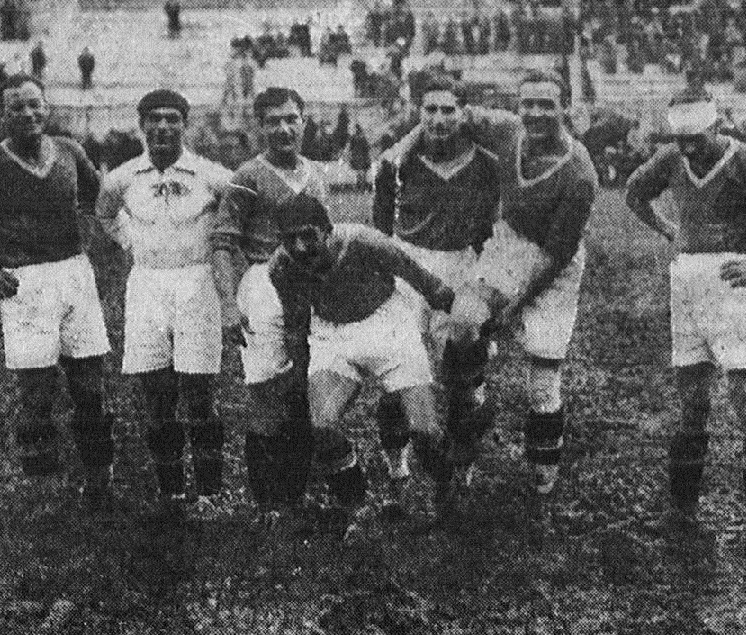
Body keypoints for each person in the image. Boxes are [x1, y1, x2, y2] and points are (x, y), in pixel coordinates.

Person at [391, 70, 597, 496]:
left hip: (554, 266)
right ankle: (472, 404)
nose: (536, 113)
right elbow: (445, 116)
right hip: (509, 245)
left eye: (547, 104)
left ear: (566, 108)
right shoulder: (506, 129)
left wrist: (513, 307)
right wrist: (400, 150)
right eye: (528, 104)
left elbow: (555, 254)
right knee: (464, 322)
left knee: (542, 377)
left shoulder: (580, 172)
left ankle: (543, 472)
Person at [269, 194, 456, 532]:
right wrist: (298, 373)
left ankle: (446, 490)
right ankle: (354, 502)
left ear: (327, 229)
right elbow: (295, 322)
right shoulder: (281, 267)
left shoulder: (363, 241)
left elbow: (425, 281)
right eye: (289, 239)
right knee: (322, 427)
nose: (299, 247)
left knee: (425, 433)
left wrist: (463, 315)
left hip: (389, 325)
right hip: (332, 333)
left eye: (308, 235)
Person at [96, 89, 232, 519]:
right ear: (141, 125)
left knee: (199, 393)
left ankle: (209, 493)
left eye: (172, 118)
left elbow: (238, 216)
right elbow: (105, 214)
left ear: (184, 124)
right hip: (147, 284)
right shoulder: (122, 178)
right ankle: (170, 491)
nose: (163, 127)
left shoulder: (212, 175)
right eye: (154, 118)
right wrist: (130, 242)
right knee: (156, 394)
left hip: (197, 282)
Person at [373, 72, 500, 495]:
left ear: (464, 113)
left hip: (462, 264)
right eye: (431, 109)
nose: (439, 118)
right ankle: (396, 459)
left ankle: (463, 461)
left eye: (449, 110)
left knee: (464, 373)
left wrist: (484, 283)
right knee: (399, 368)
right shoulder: (398, 160)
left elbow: (491, 226)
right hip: (410, 263)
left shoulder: (486, 162)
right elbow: (380, 222)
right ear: (418, 112)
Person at [625, 86, 746, 523]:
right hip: (687, 284)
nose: (688, 147)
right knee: (692, 402)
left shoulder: (741, 159)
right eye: (681, 139)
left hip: (734, 286)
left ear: (717, 124)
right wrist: (667, 229)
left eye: (697, 138)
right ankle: (682, 509)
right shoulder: (671, 159)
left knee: (743, 398)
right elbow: (634, 193)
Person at [211, 87, 324, 526]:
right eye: (273, 121)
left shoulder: (315, 173)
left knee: (304, 388)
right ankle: (267, 502)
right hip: (263, 287)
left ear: (303, 121)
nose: (284, 128)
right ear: (259, 126)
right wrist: (227, 304)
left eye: (291, 118)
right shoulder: (248, 175)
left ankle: (294, 494)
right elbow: (223, 242)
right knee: (266, 393)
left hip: (309, 286)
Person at [0, 74, 113, 510]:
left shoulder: (69, 150)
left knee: (89, 386)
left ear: (46, 107)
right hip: (24, 282)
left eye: (35, 104)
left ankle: (98, 481)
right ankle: (42, 491)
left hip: (73, 275)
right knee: (36, 393)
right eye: (17, 107)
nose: (29, 114)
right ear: (3, 114)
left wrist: (88, 232)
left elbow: (98, 197)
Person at [348, 123, 371, 190]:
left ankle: (359, 185)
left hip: (356, 157)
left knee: (358, 172)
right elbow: (367, 148)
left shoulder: (353, 137)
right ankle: (363, 186)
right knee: (363, 172)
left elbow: (350, 148)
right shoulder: (363, 137)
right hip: (363, 157)